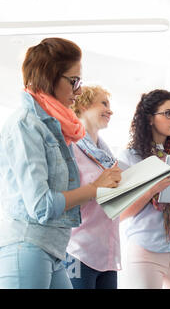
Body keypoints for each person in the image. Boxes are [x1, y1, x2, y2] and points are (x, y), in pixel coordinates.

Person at [0, 38, 122, 289]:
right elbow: (41, 205)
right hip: (28, 245)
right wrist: (95, 188)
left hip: (53, 250)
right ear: (49, 77)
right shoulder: (26, 124)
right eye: (74, 81)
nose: (78, 91)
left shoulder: (58, 128)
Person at [118, 89, 170, 289]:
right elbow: (120, 213)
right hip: (146, 250)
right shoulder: (130, 158)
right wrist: (151, 190)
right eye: (168, 113)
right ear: (149, 119)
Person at [62, 85, 124, 289]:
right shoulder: (70, 148)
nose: (110, 110)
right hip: (78, 251)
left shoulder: (106, 155)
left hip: (107, 253)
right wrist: (97, 188)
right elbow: (65, 202)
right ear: (83, 105)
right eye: (104, 103)